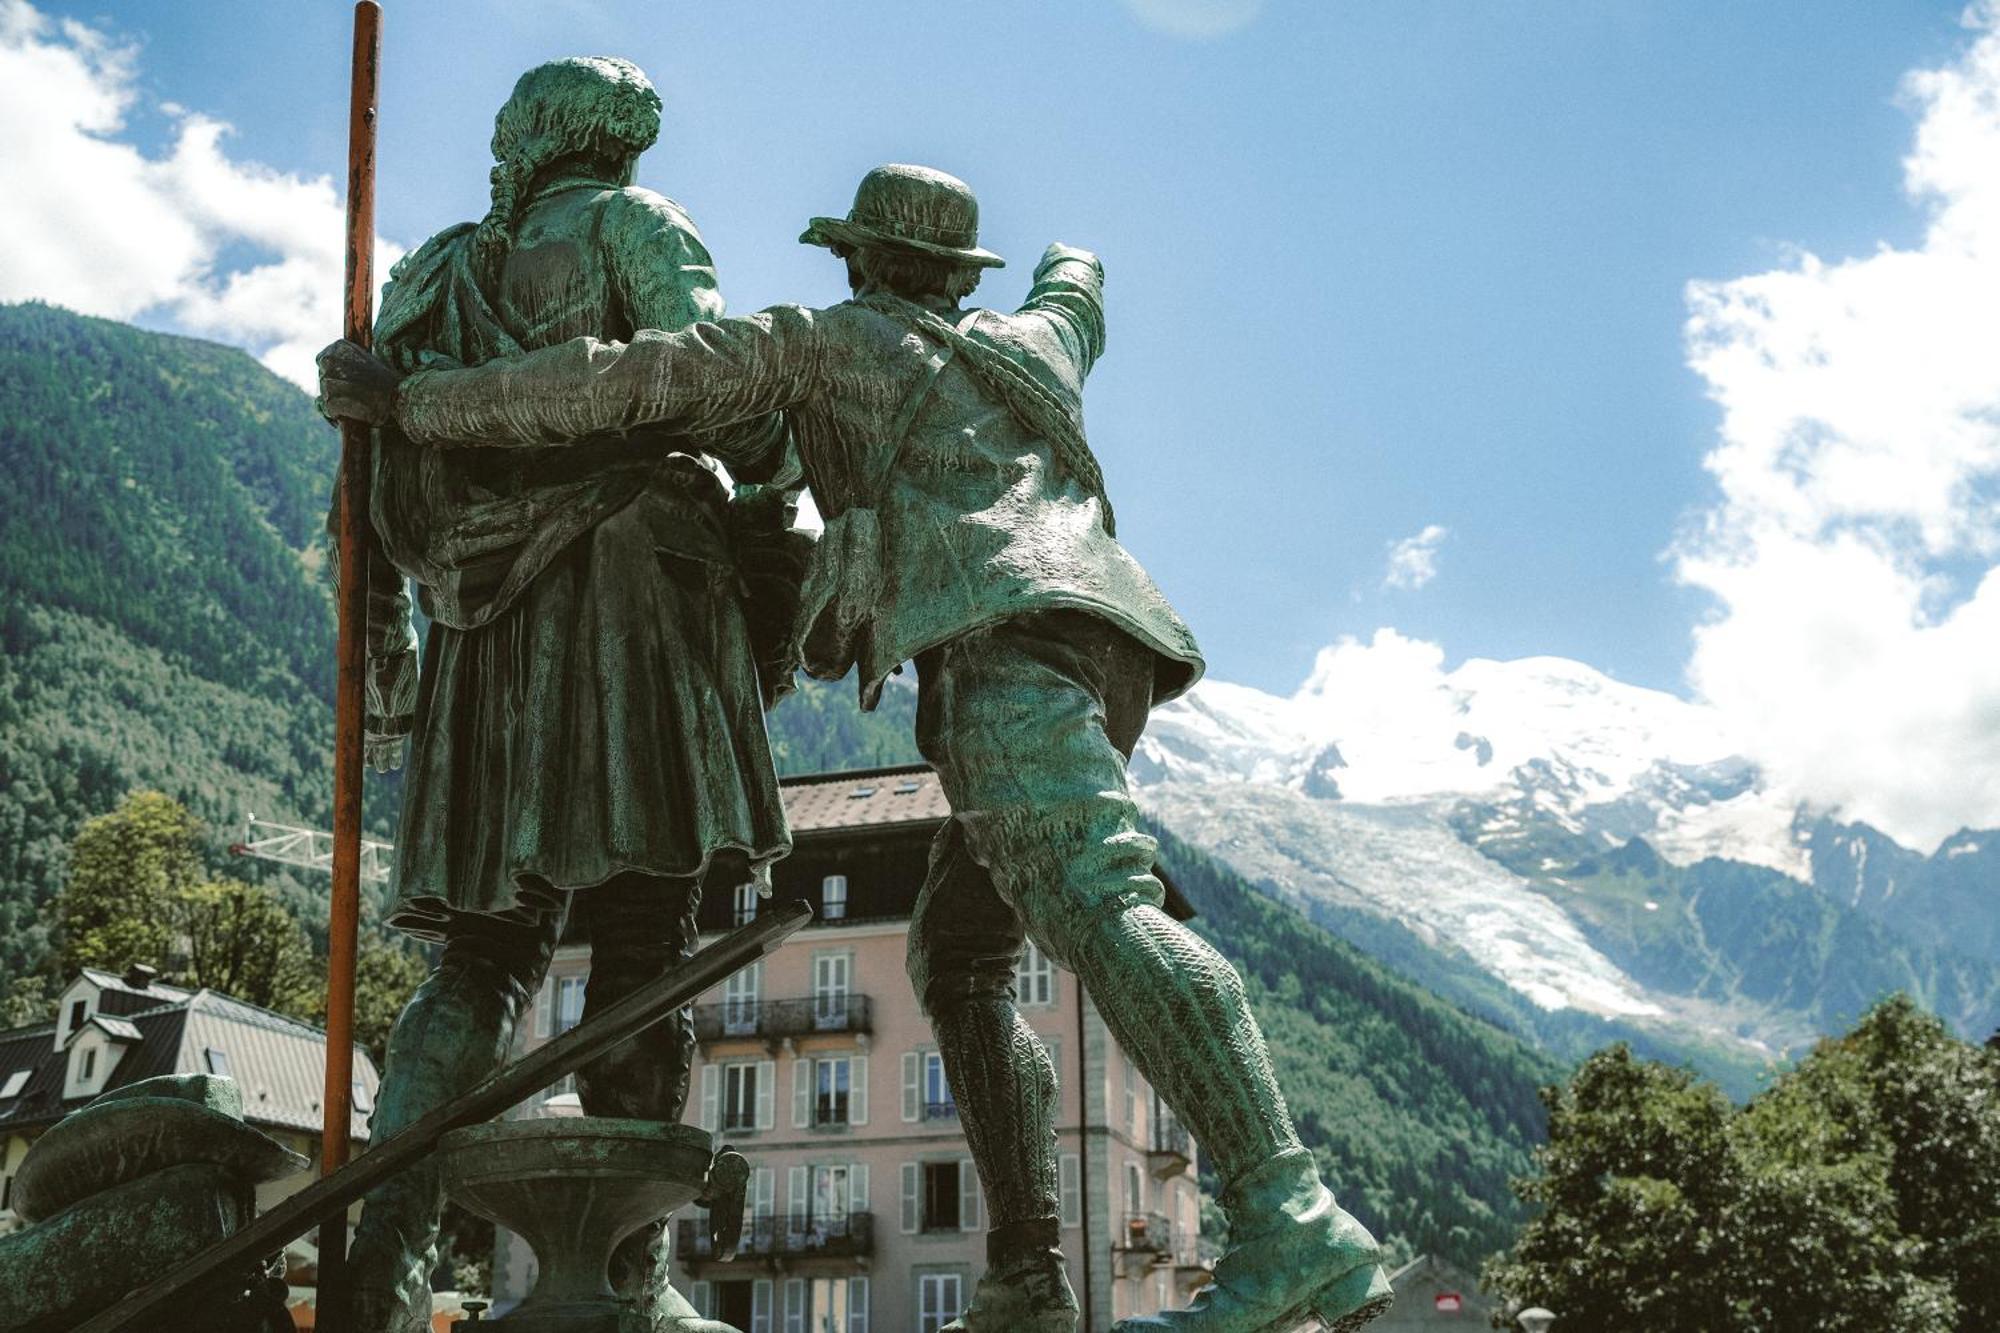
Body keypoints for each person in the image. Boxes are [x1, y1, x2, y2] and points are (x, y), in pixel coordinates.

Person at [320, 162, 1391, 1333]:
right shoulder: (1032, 344)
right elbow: (1077, 288)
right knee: (958, 957)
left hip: (1001, 640)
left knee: (1098, 899)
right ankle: (1028, 1273)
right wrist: (1069, 256)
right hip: (1111, 639)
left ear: (860, 260)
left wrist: (415, 406)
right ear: (953, 273)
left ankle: (1291, 1218)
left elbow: (613, 382)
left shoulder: (821, 343)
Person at [329, 57, 798, 1333]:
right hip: (634, 591)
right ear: (606, 147)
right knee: (643, 938)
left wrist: (385, 668)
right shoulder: (638, 228)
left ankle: (381, 1266)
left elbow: (366, 478)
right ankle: (630, 1289)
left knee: (480, 955)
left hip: (484, 617)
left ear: (524, 141)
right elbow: (705, 376)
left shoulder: (432, 274)